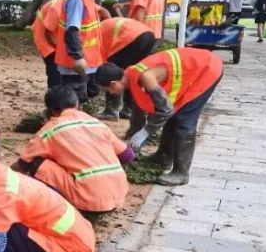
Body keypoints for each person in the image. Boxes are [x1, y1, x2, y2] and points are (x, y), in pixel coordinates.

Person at [95, 47, 223, 187]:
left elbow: (165, 111)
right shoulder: (131, 75)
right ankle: (163, 156)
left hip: (206, 70)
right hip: (192, 68)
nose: (111, 94)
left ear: (114, 84)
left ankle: (181, 173)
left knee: (184, 120)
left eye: (108, 90)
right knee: (174, 115)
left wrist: (145, 132)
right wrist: (133, 135)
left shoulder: (146, 77)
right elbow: (140, 110)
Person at [14, 86, 133, 214]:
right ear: (77, 104)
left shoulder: (49, 130)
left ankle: (53, 208)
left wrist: (3, 177)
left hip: (87, 198)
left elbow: (22, 165)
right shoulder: (95, 123)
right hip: (119, 192)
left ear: (51, 110)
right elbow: (128, 155)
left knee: (36, 163)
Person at [54, 0, 107, 102]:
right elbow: (72, 29)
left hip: (88, 61)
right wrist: (77, 56)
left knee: (86, 93)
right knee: (74, 98)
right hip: (76, 63)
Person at [97, 16, 156, 120]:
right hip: (147, 35)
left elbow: (101, 62)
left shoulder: (92, 36)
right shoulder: (102, 26)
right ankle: (128, 109)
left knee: (110, 73)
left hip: (130, 39)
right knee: (133, 73)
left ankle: (111, 111)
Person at [31, 0, 63, 88]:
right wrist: (59, 48)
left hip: (55, 36)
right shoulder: (56, 8)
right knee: (54, 67)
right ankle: (54, 93)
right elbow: (48, 32)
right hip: (45, 38)